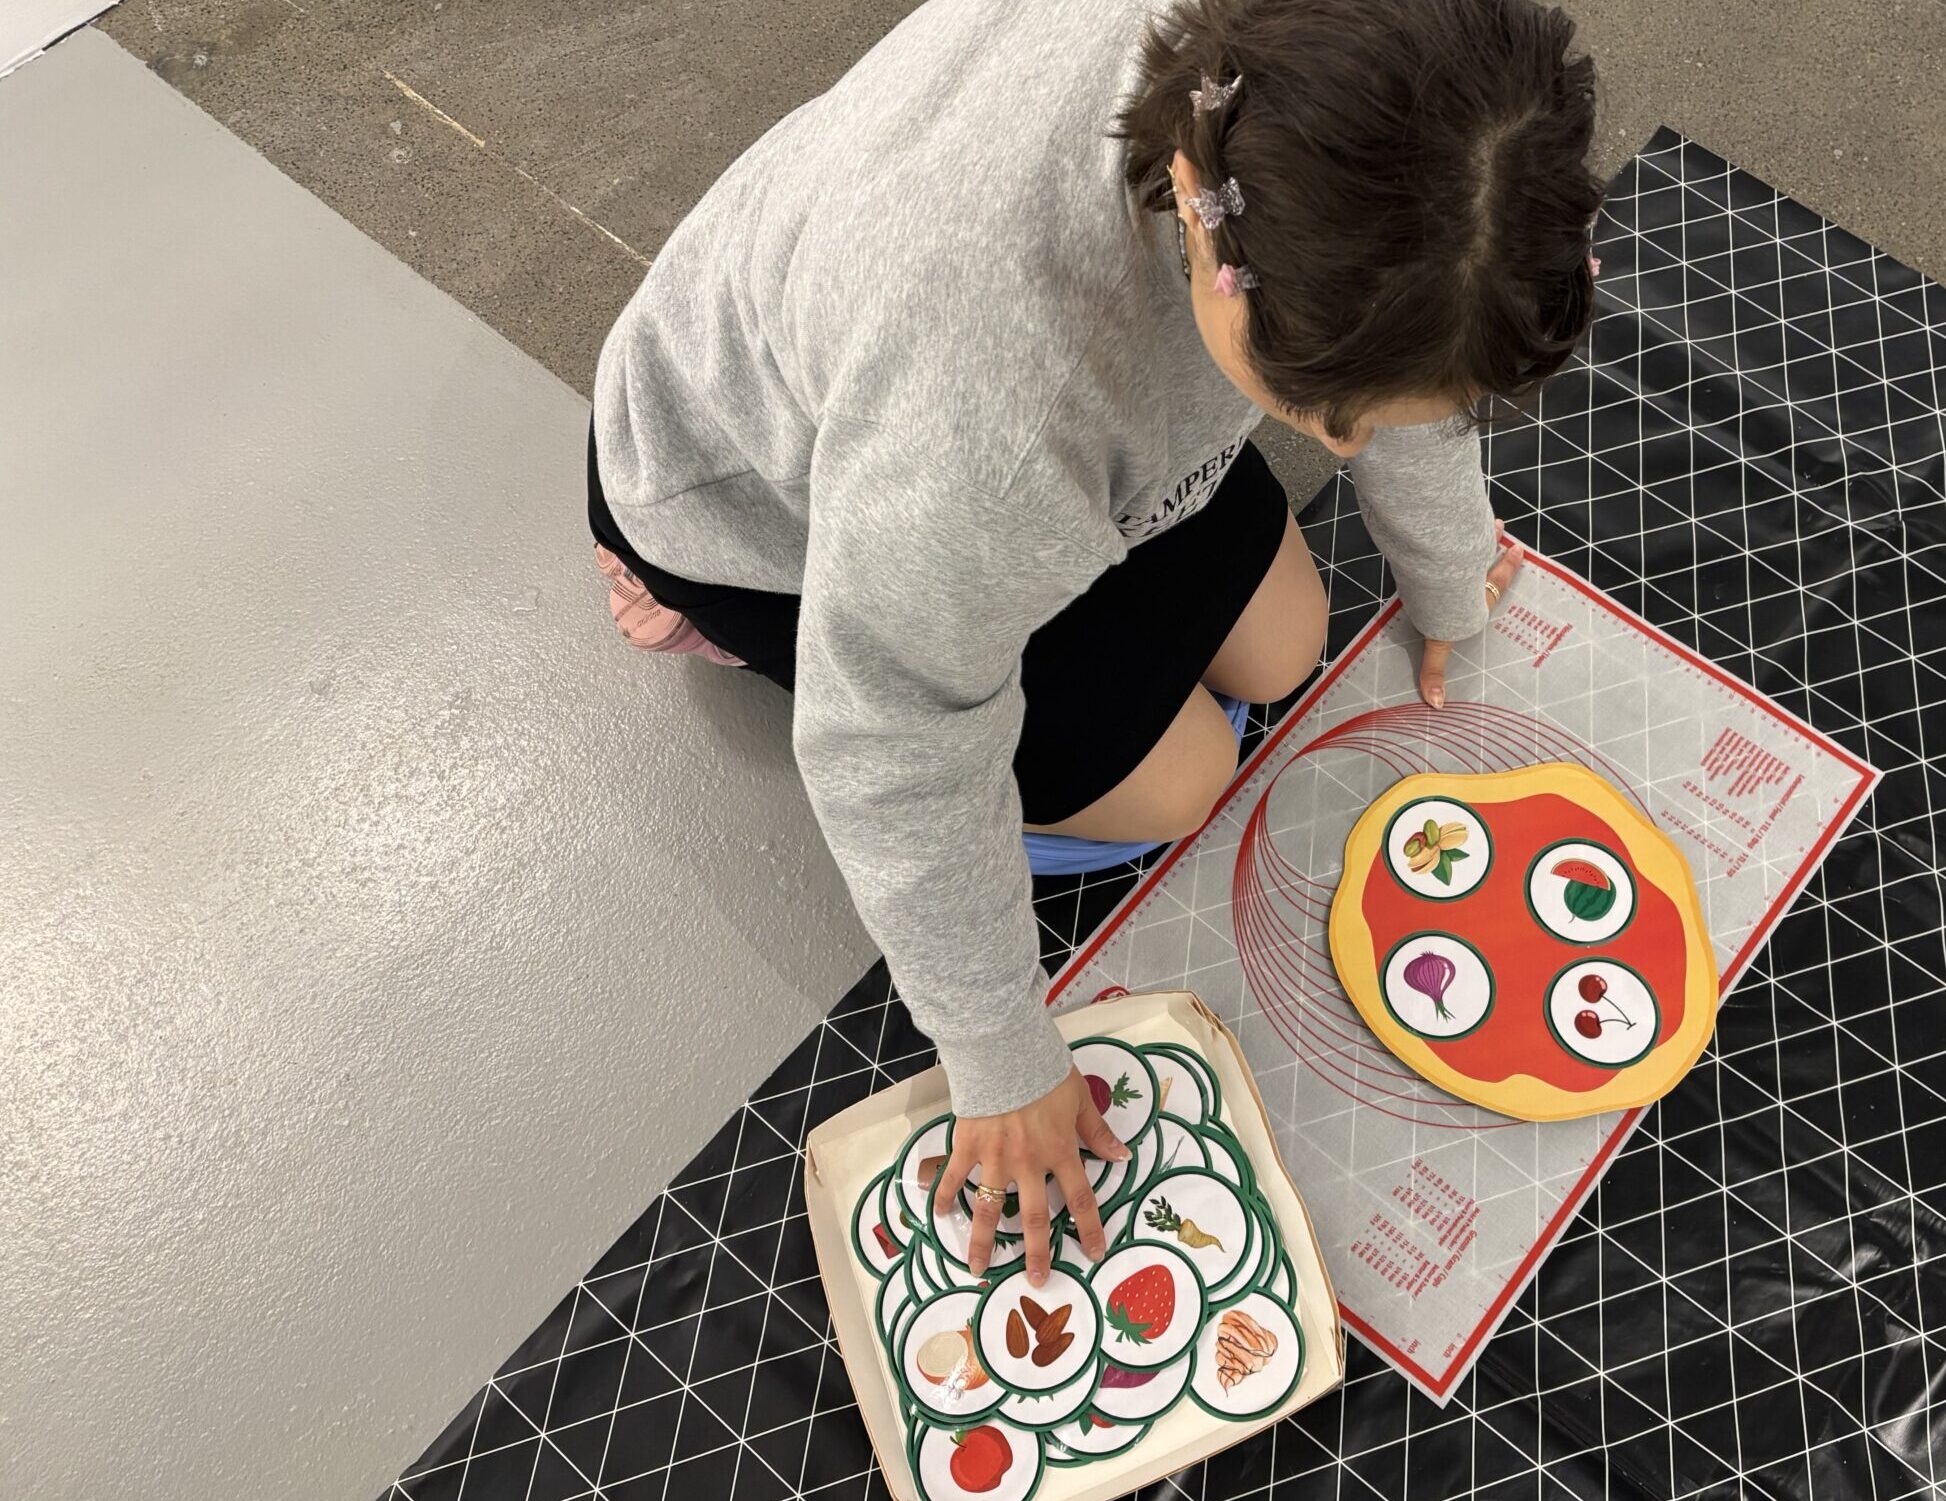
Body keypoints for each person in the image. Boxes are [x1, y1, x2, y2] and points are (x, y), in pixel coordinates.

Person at [586, 0, 1602, 1279]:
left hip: (1067, 424)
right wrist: (1001, 1060)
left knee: (1286, 647)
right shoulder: (992, 427)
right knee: (1182, 783)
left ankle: (1069, 545)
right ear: (1200, 210)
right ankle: (700, 607)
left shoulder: (1343, 90)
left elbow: (1420, 333)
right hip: (762, 498)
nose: (1342, 445)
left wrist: (1449, 575)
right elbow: (891, 736)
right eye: (1319, 403)